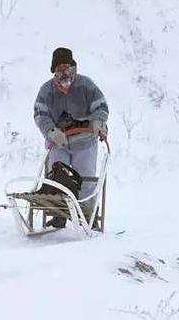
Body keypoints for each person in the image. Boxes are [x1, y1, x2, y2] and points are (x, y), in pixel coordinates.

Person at [33, 47, 109, 228]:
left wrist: (98, 122)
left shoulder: (86, 85)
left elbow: (101, 106)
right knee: (58, 180)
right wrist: (51, 131)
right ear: (54, 72)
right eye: (59, 69)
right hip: (59, 141)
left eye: (67, 67)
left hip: (84, 141)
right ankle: (59, 215)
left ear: (73, 67)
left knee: (86, 180)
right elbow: (40, 114)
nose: (64, 71)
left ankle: (88, 217)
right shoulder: (46, 91)